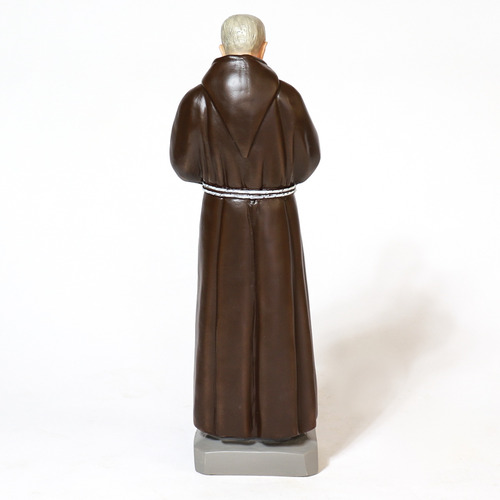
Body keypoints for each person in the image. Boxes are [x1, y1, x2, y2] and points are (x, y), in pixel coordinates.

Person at [170, 14, 320, 441]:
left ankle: (225, 422)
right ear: (263, 48)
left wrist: (223, 178)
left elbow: (184, 166)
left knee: (223, 315)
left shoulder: (197, 101)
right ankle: (282, 423)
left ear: (221, 50)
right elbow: (307, 162)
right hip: (276, 216)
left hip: (221, 217)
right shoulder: (287, 98)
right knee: (280, 312)